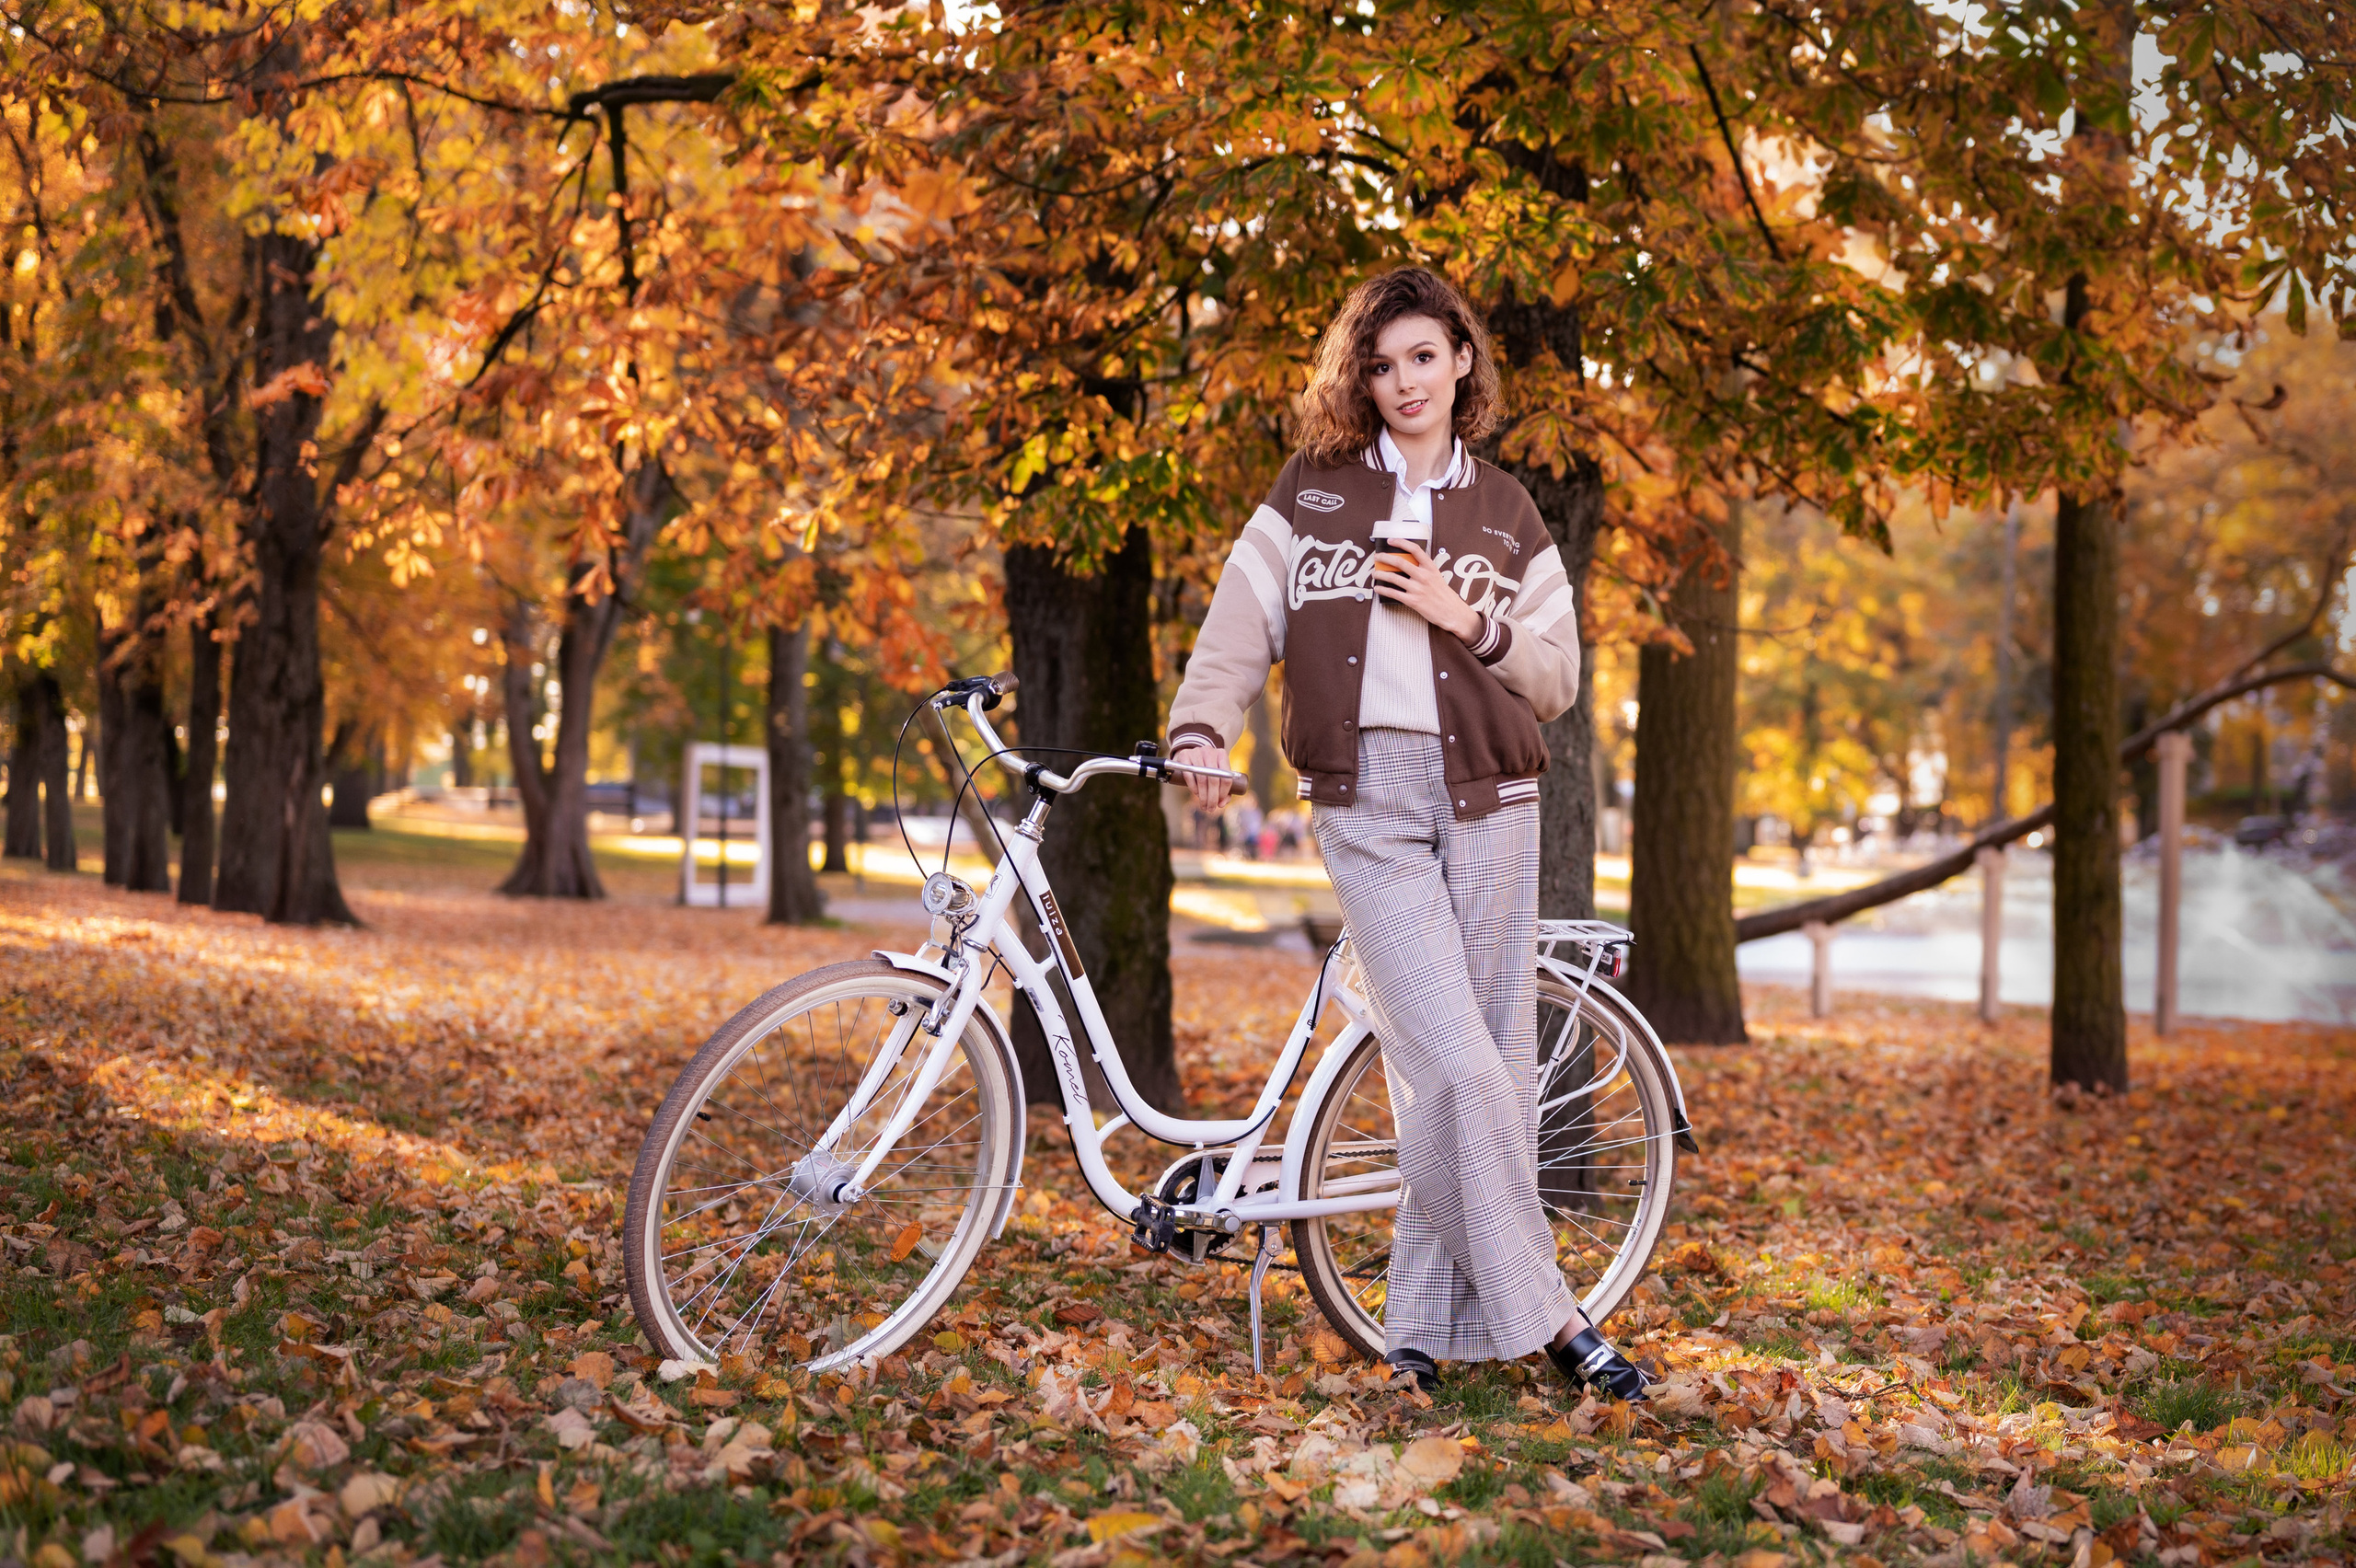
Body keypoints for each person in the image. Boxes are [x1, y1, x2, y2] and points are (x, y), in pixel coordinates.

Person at [1166, 266, 1648, 1403]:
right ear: (1362, 379)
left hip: (1490, 798)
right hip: (1365, 800)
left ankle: (1420, 1331)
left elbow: (1556, 679)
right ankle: (1560, 1321)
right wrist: (1200, 726)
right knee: (1462, 1065)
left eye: (1424, 357)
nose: (1404, 383)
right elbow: (1239, 623)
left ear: (1462, 361)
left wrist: (1462, 617)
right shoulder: (1313, 492)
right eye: (1381, 367)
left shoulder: (1508, 511)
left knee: (1470, 1074)